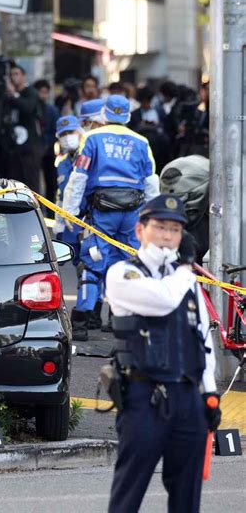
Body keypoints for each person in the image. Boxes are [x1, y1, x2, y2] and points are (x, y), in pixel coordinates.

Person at [106, 195, 220, 513]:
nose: (167, 236)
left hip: (188, 397)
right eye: (160, 227)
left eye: (175, 229)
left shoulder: (186, 282)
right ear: (140, 229)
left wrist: (210, 394)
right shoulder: (123, 273)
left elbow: (201, 337)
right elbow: (163, 300)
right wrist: (185, 268)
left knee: (187, 498)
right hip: (144, 396)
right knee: (128, 493)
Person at [62, 95, 160, 340]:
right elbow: (151, 183)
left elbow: (78, 178)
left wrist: (70, 213)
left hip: (101, 212)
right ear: (127, 116)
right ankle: (122, 319)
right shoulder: (141, 141)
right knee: (129, 263)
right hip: (132, 214)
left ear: (104, 114)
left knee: (92, 263)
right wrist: (151, 217)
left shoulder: (92, 139)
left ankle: (82, 321)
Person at [5, 64, 43, 191]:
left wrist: (14, 94)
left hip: (29, 147)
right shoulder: (9, 97)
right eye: (11, 75)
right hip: (15, 146)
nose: (13, 77)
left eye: (16, 74)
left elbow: (27, 108)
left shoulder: (30, 92)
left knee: (31, 183)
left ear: (23, 76)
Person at [52, 115, 83, 264]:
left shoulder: (88, 155)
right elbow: (60, 196)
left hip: (89, 221)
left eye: (70, 132)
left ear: (79, 132)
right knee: (77, 268)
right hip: (70, 226)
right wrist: (59, 226)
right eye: (63, 134)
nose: (67, 137)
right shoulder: (62, 163)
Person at [34, 79, 59, 206]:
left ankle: (50, 209)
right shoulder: (32, 109)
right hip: (34, 150)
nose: (43, 95)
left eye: (45, 92)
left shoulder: (51, 110)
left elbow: (55, 130)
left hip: (48, 150)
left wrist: (48, 144)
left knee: (51, 183)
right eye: (40, 92)